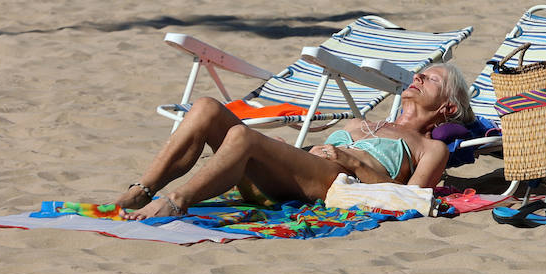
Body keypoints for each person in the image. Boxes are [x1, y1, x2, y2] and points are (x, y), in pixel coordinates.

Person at [113, 62, 475, 219]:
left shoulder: (430, 148)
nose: (418, 78)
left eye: (431, 80)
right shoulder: (360, 122)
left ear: (448, 107)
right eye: (420, 74)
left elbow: (411, 200)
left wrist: (351, 162)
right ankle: (142, 190)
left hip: (328, 183)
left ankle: (176, 202)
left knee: (242, 135)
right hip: (288, 174)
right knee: (207, 107)